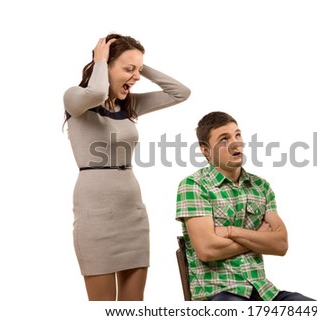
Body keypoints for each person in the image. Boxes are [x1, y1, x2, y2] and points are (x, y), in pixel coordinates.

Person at [64, 33, 190, 301]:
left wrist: (141, 68)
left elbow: (180, 93)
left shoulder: (129, 104)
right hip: (95, 213)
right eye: (128, 69)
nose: (135, 77)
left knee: (133, 307)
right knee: (104, 310)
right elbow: (97, 92)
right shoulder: (75, 99)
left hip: (131, 212)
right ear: (106, 66)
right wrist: (100, 60)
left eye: (138, 70)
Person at [176, 111, 314, 301]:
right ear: (205, 150)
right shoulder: (194, 185)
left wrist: (231, 231)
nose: (235, 143)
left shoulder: (261, 186)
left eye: (237, 135)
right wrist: (259, 237)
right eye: (224, 139)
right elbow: (207, 250)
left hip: (264, 291)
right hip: (219, 294)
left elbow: (280, 244)